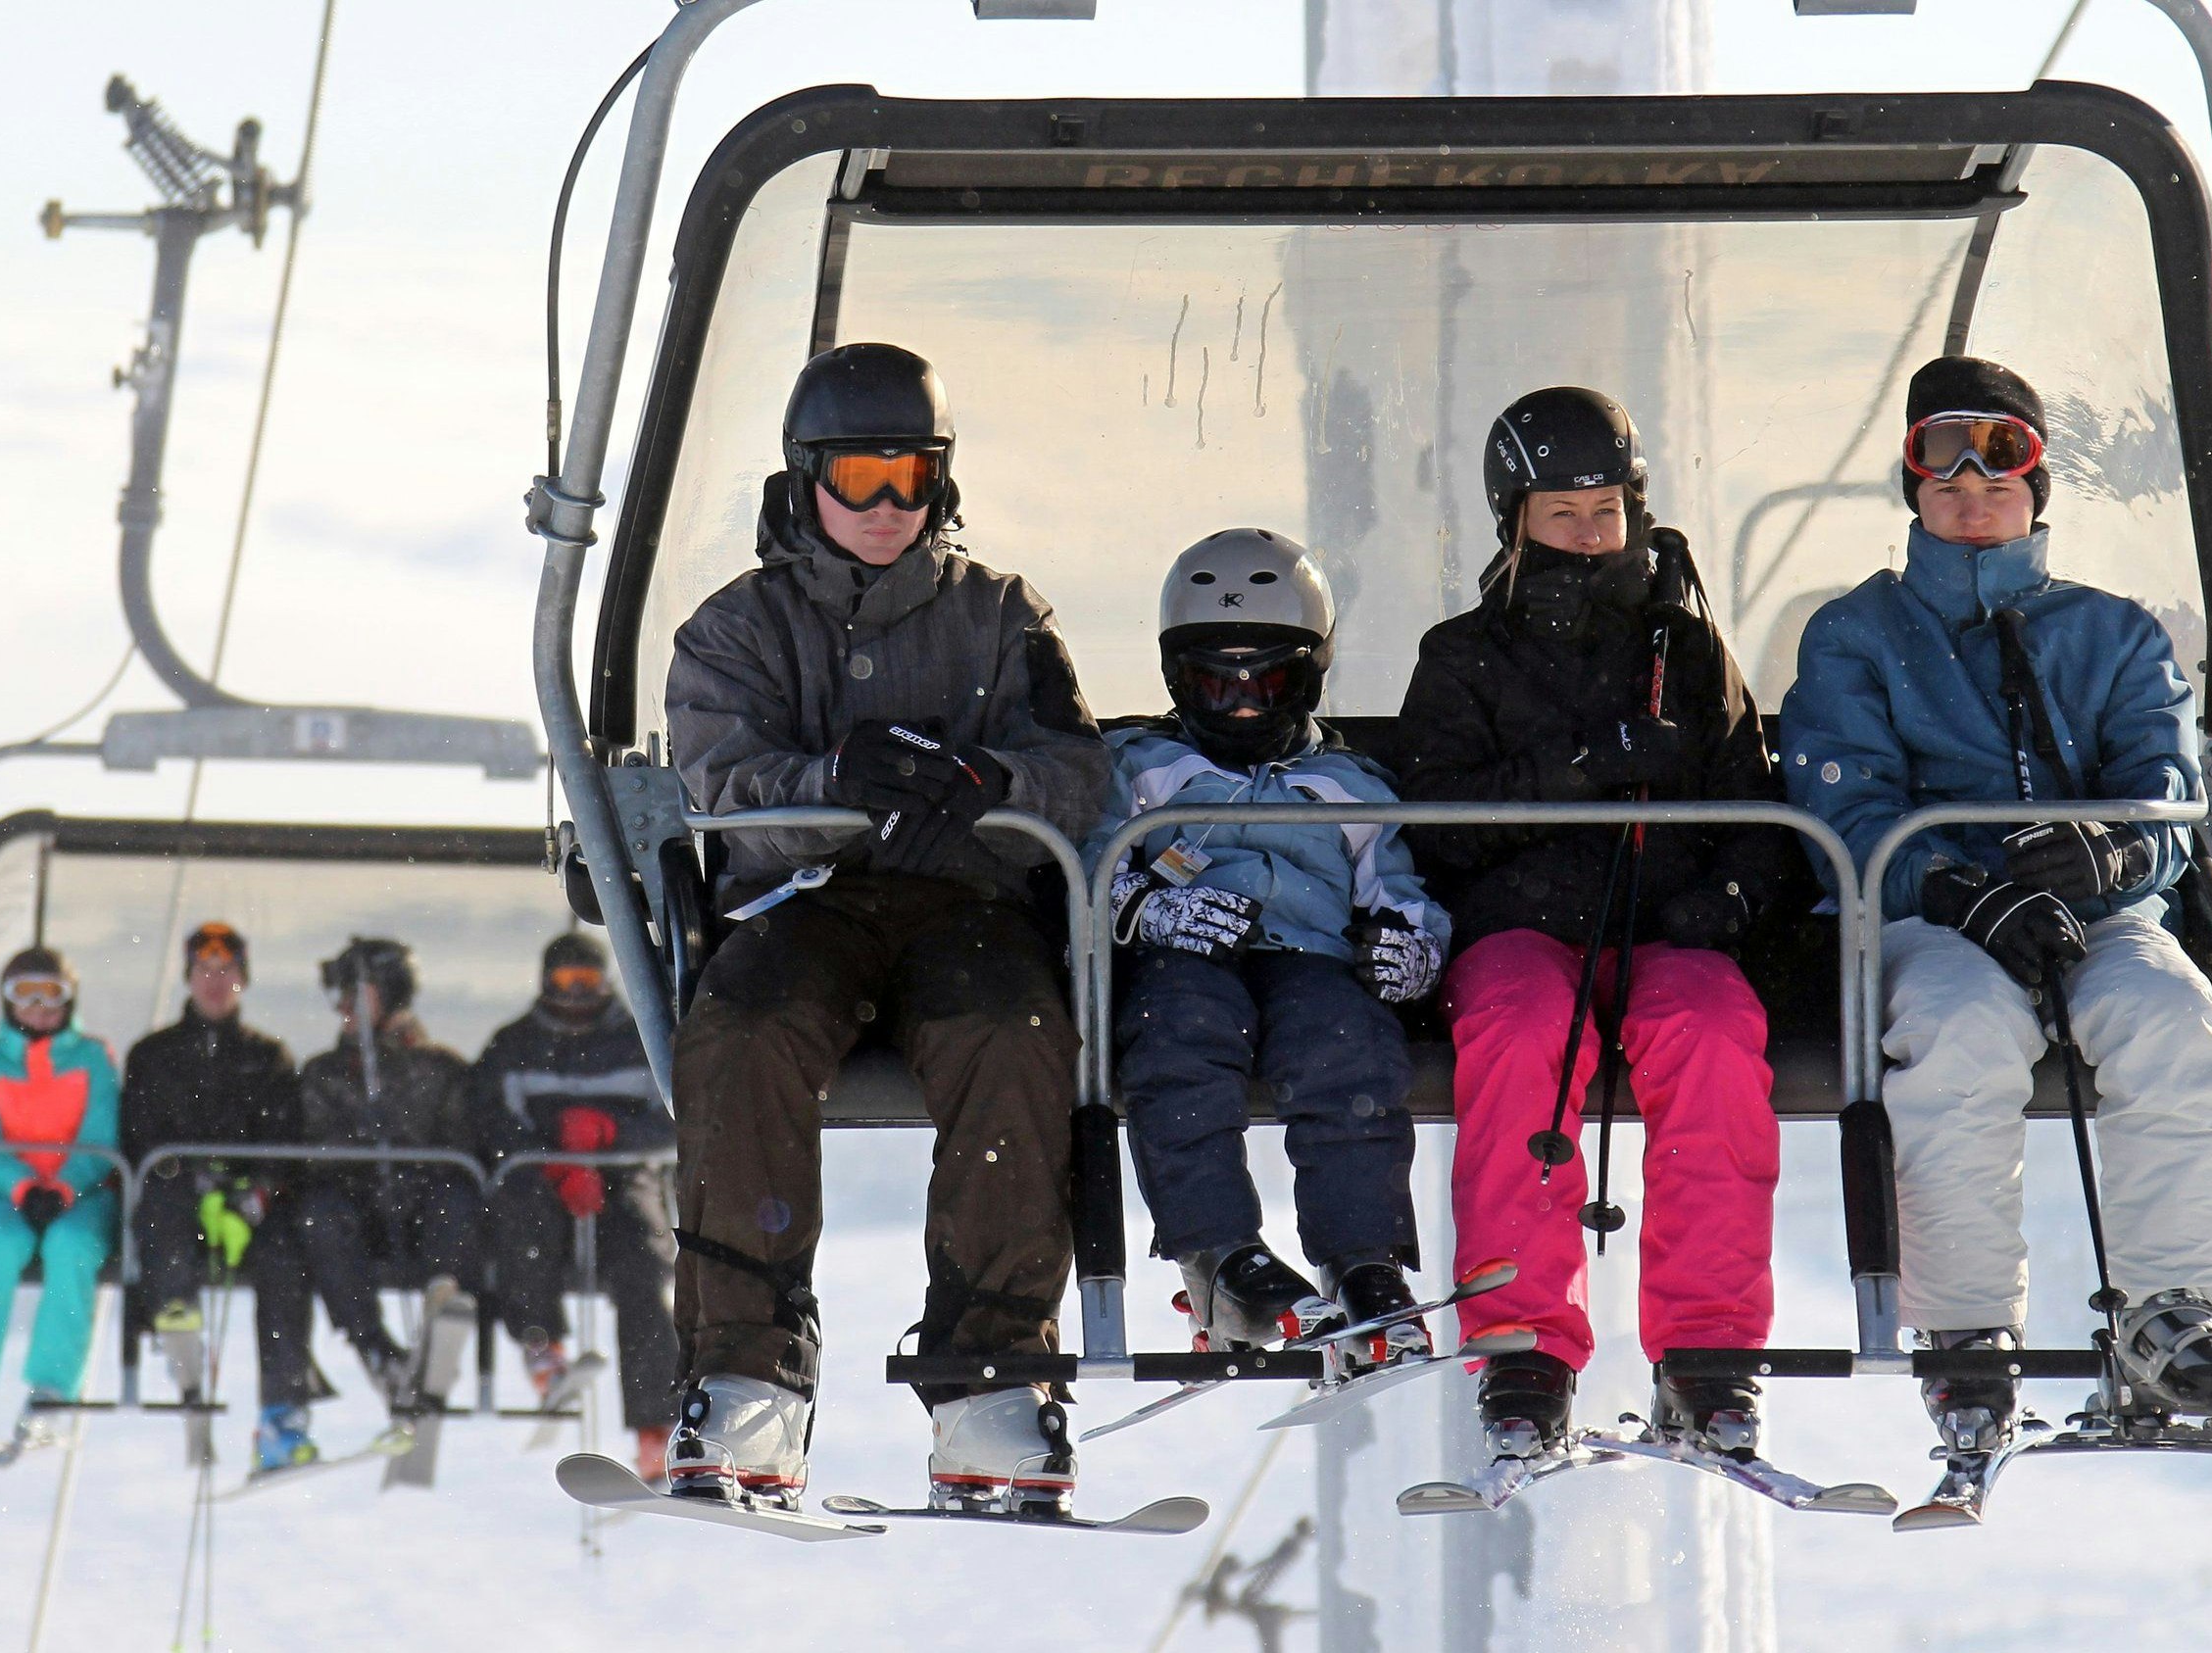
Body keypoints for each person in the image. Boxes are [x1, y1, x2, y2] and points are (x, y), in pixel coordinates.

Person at [1779, 355, 2212, 1453]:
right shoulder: (1857, 636)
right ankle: (1967, 1338)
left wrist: (2106, 860)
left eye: (2000, 466)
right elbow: (1844, 809)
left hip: (2092, 913)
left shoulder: (2113, 635)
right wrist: (1954, 883)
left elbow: (2166, 791)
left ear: (2036, 488)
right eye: (1942, 467)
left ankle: (2170, 1313)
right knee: (1960, 1037)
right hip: (1937, 920)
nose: (1971, 491)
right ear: (1911, 488)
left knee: (2175, 1028)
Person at [663, 341, 1108, 1515]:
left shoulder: (1002, 618)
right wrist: (833, 783)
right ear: (807, 477)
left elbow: (1078, 771)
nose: (886, 507)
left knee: (1014, 1034)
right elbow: (716, 781)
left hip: (961, 902)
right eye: (859, 477)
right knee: (746, 1028)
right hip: (804, 902)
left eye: (910, 476)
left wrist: (988, 782)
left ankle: (994, 1376)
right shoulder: (737, 628)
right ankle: (744, 1370)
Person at [1395, 387, 1800, 1461]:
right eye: (1562, 512)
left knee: (1714, 1033)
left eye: (1606, 509)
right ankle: (1523, 1348)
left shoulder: (1688, 653)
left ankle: (1709, 1354)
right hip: (1528, 930)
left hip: (1664, 927)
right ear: (1514, 517)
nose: (1588, 531)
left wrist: (1727, 901)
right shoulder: (1463, 658)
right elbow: (1438, 825)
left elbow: (1759, 812)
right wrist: (1574, 773)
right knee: (1524, 1035)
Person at [1091, 529, 1447, 1364]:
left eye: (1270, 679)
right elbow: (1086, 855)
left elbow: (1400, 890)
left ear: (1313, 672)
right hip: (1186, 957)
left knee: (1350, 1048)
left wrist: (1411, 949)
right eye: (1215, 682)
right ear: (1178, 678)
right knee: (1178, 1037)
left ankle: (1364, 1259)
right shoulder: (1141, 767)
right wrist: (1144, 906)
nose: (1244, 703)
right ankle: (1219, 1253)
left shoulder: (1349, 785)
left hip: (1309, 960)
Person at [476, 933, 680, 1479]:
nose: (575, 995)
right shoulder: (514, 1046)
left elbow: (675, 1120)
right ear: (545, 983)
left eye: (586, 983)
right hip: (544, 1181)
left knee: (641, 1265)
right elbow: (490, 1125)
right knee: (521, 1219)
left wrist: (609, 1137)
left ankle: (654, 1424)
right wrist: (555, 1158)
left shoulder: (640, 1040)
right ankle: (542, 1347)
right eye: (565, 983)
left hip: (623, 1179)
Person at [119, 922, 318, 1469]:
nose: (215, 982)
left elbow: (285, 1144)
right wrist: (194, 1182)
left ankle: (283, 1409)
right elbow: (139, 1140)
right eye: (205, 971)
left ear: (243, 980)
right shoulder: (153, 1056)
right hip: (178, 1204)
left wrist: (254, 1193)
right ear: (187, 978)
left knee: (284, 1257)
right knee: (161, 1217)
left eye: (226, 971)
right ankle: (182, 1347)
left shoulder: (268, 1059)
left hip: (248, 1212)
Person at [284, 937, 483, 1462]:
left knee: (456, 1192)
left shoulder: (439, 1069)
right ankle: (377, 1351)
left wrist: (413, 1161)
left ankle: (444, 1308)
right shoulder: (325, 1074)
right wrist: (358, 1148)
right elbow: (312, 1153)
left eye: (357, 994)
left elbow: (466, 1145)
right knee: (319, 1214)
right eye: (340, 996)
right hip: (360, 1217)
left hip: (424, 1217)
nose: (345, 1008)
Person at [0, 947, 122, 1455]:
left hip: (79, 1193)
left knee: (72, 1248)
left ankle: (52, 1393)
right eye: (25, 994)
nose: (38, 1007)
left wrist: (64, 1184)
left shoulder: (91, 1061)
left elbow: (101, 1137)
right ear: (7, 1002)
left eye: (50, 994)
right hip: (11, 1192)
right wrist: (22, 1185)